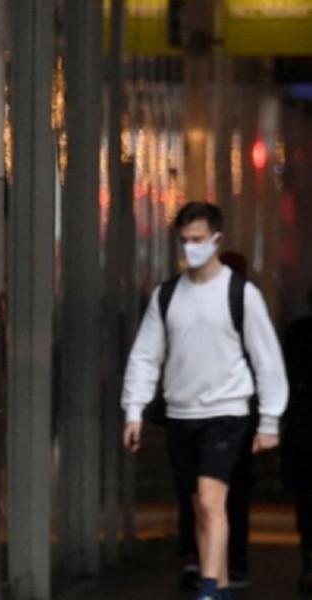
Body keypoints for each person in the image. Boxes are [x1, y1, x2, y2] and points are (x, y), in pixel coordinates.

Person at [120, 201, 288, 600]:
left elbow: (267, 358)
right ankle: (222, 587)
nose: (190, 247)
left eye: (197, 240)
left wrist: (268, 420)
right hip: (181, 415)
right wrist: (134, 411)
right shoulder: (167, 296)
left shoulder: (240, 294)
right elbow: (146, 355)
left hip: (227, 413)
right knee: (199, 506)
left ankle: (209, 590)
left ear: (217, 239)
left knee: (213, 502)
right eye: (184, 241)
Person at [176, 250, 255, 590]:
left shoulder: (246, 310)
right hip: (198, 414)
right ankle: (217, 574)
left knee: (210, 497)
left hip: (230, 417)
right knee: (207, 497)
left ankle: (213, 578)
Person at [280, 283, 312, 593]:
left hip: (304, 428)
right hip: (304, 428)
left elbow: (286, 378)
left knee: (306, 502)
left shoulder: (298, 332)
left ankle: (309, 564)